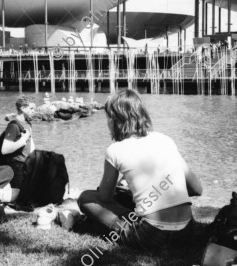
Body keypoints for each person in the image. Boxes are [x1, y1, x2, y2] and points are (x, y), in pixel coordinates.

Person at [78, 89, 202, 251]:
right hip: (186, 233)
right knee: (127, 196)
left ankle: (97, 226)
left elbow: (104, 197)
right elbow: (196, 189)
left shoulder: (115, 150)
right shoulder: (165, 140)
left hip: (151, 236)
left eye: (108, 118)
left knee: (86, 197)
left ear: (115, 120)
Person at [0, 95, 36, 199]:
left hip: (26, 162)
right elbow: (5, 150)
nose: (34, 111)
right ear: (22, 108)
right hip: (17, 165)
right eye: (31, 108)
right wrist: (22, 140)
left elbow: (30, 142)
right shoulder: (13, 126)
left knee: (26, 193)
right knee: (19, 194)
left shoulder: (27, 122)